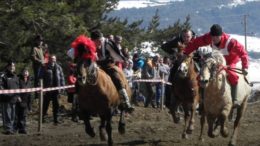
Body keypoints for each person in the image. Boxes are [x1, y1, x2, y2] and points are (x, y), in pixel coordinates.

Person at [183, 24, 249, 107]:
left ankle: (234, 99)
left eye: (216, 37)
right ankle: (202, 99)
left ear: (221, 35)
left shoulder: (231, 42)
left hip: (230, 61)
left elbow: (243, 53)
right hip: (217, 60)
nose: (213, 39)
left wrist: (245, 67)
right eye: (212, 37)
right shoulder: (208, 37)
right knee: (203, 75)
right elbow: (195, 43)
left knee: (233, 75)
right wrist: (186, 52)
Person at [90, 30, 134, 112]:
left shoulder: (108, 44)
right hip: (94, 66)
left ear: (101, 39)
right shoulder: (89, 43)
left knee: (116, 78)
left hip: (108, 66)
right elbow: (72, 52)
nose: (97, 43)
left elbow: (117, 56)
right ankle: (78, 104)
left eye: (98, 41)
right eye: (95, 42)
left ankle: (125, 100)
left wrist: (123, 60)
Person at [161, 29, 196, 108]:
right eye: (184, 36)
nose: (186, 38)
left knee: (203, 74)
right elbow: (164, 46)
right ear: (181, 36)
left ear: (192, 36)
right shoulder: (178, 40)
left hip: (193, 60)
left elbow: (203, 47)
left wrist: (197, 54)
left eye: (188, 37)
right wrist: (174, 53)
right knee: (170, 79)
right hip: (180, 62)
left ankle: (203, 101)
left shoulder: (196, 40)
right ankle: (168, 101)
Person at [40, 55, 65, 124]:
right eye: (51, 59)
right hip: (47, 89)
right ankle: (42, 118)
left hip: (56, 90)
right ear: (49, 59)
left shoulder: (59, 67)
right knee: (45, 104)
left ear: (56, 59)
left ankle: (56, 119)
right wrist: (41, 88)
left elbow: (62, 77)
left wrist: (62, 86)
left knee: (56, 105)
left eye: (54, 59)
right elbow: (40, 77)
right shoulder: (44, 67)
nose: (52, 60)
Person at [0, 61, 20, 134]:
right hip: (5, 99)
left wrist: (17, 96)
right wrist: (6, 94)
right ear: (8, 66)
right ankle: (7, 129)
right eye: (11, 66)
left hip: (13, 99)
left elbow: (18, 87)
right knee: (7, 114)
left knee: (12, 115)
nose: (12, 67)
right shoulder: (3, 75)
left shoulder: (15, 76)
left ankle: (10, 128)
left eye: (14, 66)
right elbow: (0, 86)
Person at [15, 67, 32, 134]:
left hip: (26, 100)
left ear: (28, 73)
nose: (25, 73)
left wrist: (29, 105)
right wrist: (18, 96)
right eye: (24, 72)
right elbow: (16, 88)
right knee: (18, 115)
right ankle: (17, 128)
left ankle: (22, 128)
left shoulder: (29, 81)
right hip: (19, 99)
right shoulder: (19, 80)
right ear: (22, 73)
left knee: (24, 115)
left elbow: (30, 92)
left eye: (27, 72)